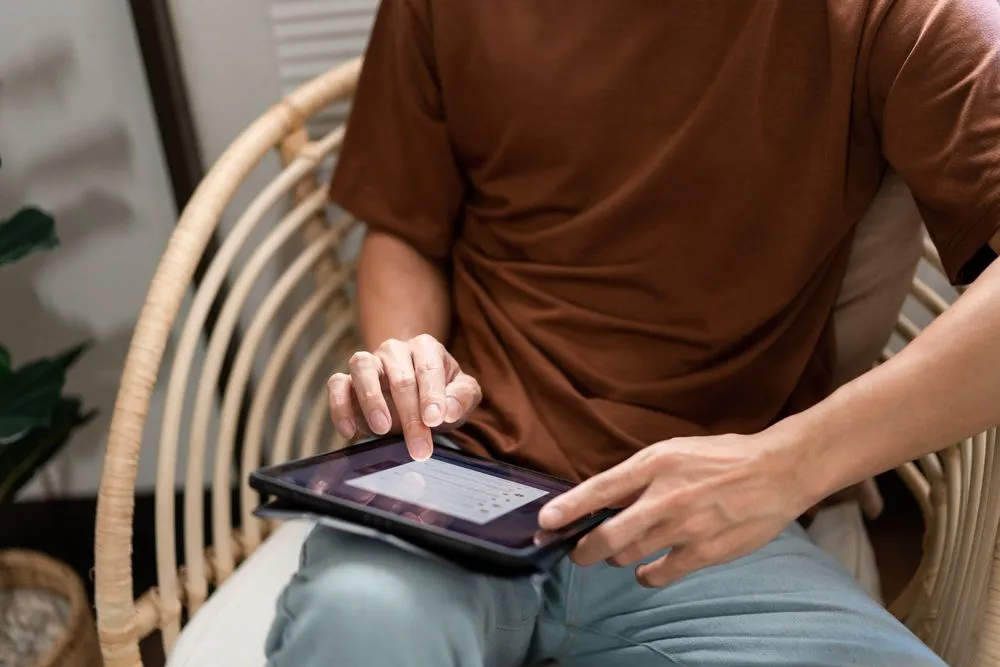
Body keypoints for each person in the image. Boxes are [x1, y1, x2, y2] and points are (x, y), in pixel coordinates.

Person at [265, 1, 1000, 665]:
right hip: (465, 476)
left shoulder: (906, 14)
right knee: (357, 624)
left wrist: (788, 464)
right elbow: (405, 229)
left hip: (706, 517)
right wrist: (410, 367)